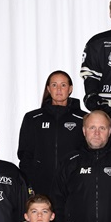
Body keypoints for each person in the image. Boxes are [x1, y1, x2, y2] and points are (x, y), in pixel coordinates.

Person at [17, 70, 86, 199]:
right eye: (54, 85)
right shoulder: (33, 118)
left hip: (74, 185)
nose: (59, 89)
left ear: (70, 89)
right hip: (41, 187)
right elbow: (25, 155)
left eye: (63, 85)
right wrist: (29, 183)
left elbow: (88, 152)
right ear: (48, 89)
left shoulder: (83, 118)